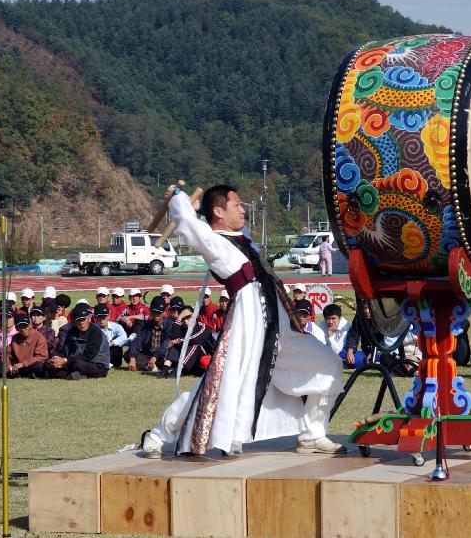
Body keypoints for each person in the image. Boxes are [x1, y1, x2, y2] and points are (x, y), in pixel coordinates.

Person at [142, 184, 345, 459]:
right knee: (217, 385)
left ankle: (312, 434)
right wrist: (177, 199)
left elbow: (201, 218)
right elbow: (189, 224)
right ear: (218, 211)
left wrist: (186, 203)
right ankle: (157, 435)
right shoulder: (213, 241)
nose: (242, 208)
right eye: (236, 204)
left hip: (279, 324)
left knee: (327, 363)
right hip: (248, 326)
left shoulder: (243, 237)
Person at [47, 303, 110, 379]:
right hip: (74, 361)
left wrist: (65, 361)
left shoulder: (96, 333)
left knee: (78, 364)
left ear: (89, 318)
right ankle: (74, 375)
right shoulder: (71, 331)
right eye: (78, 320)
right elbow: (65, 350)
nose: (81, 323)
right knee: (49, 365)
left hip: (96, 365)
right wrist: (57, 359)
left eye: (83, 319)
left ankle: (71, 374)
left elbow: (89, 356)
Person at [158, 304, 216, 378]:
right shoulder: (182, 328)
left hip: (206, 361)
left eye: (188, 317)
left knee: (194, 345)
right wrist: (179, 318)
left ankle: (176, 372)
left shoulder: (203, 327)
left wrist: (177, 341)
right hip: (190, 364)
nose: (185, 321)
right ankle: (164, 370)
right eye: (183, 318)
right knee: (175, 344)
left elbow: (195, 339)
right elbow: (173, 337)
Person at [126, 296, 173, 372]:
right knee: (128, 354)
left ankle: (151, 367)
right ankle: (153, 367)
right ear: (150, 311)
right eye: (154, 312)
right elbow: (137, 341)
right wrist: (132, 358)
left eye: (158, 313)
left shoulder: (170, 325)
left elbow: (166, 344)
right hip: (148, 356)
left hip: (162, 356)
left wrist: (155, 356)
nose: (156, 315)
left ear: (164, 312)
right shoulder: (147, 324)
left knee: (170, 358)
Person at [7, 313, 48, 378]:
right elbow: (7, 354)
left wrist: (23, 364)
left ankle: (23, 374)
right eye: (20, 326)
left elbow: (41, 357)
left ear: (30, 325)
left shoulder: (39, 337)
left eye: (25, 326)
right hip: (17, 366)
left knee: (39, 365)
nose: (23, 329)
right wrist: (8, 365)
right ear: (16, 328)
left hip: (30, 365)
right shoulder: (15, 338)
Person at [94, 303, 128, 368]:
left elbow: (124, 337)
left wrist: (112, 343)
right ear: (96, 318)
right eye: (99, 317)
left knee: (116, 347)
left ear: (109, 316)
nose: (102, 320)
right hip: (99, 351)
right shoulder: (93, 328)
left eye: (104, 317)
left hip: (112, 352)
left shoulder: (116, 326)